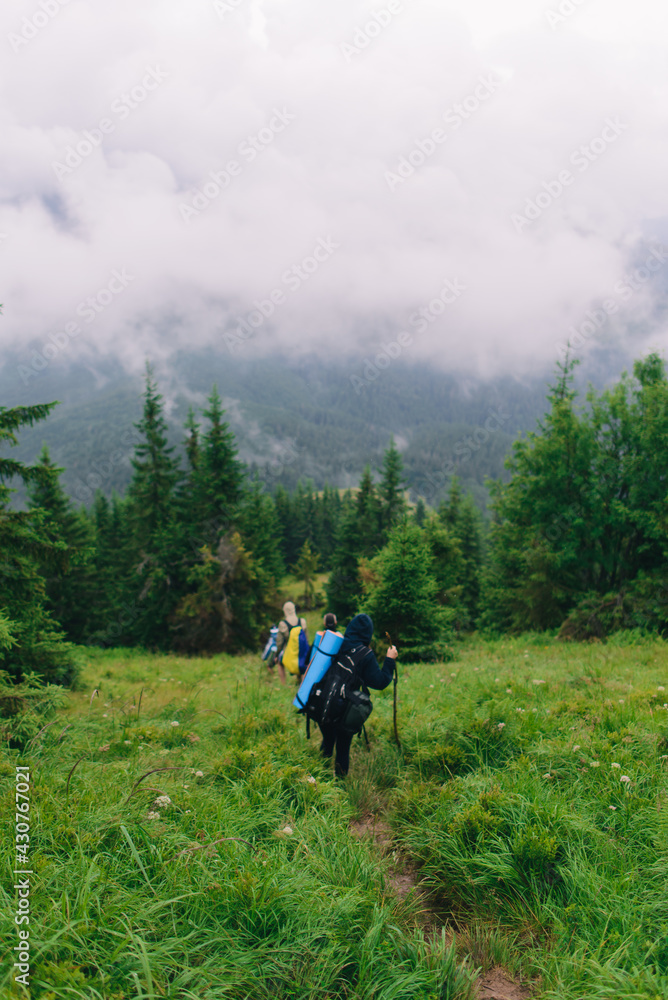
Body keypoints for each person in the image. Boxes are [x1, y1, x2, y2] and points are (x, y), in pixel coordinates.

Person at [319, 613, 397, 778]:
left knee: (327, 739)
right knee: (342, 748)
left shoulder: (337, 644)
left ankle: (319, 774)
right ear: (368, 633)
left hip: (324, 700)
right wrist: (390, 660)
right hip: (345, 708)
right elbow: (380, 682)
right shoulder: (365, 654)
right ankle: (339, 785)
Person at [275, 600, 308, 685]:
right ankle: (300, 682)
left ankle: (283, 683)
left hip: (289, 652)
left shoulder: (283, 624)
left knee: (280, 662)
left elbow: (279, 642)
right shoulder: (302, 621)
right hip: (301, 651)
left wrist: (276, 654)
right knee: (301, 662)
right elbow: (306, 639)